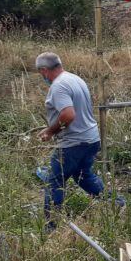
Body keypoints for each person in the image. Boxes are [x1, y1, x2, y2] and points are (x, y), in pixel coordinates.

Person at [35, 52, 115, 230]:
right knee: (83, 177)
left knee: (54, 182)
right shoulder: (74, 78)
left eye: (40, 73)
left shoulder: (58, 86)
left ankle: (51, 227)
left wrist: (50, 131)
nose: (42, 76)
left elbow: (68, 115)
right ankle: (117, 204)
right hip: (91, 139)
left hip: (74, 144)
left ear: (44, 70)